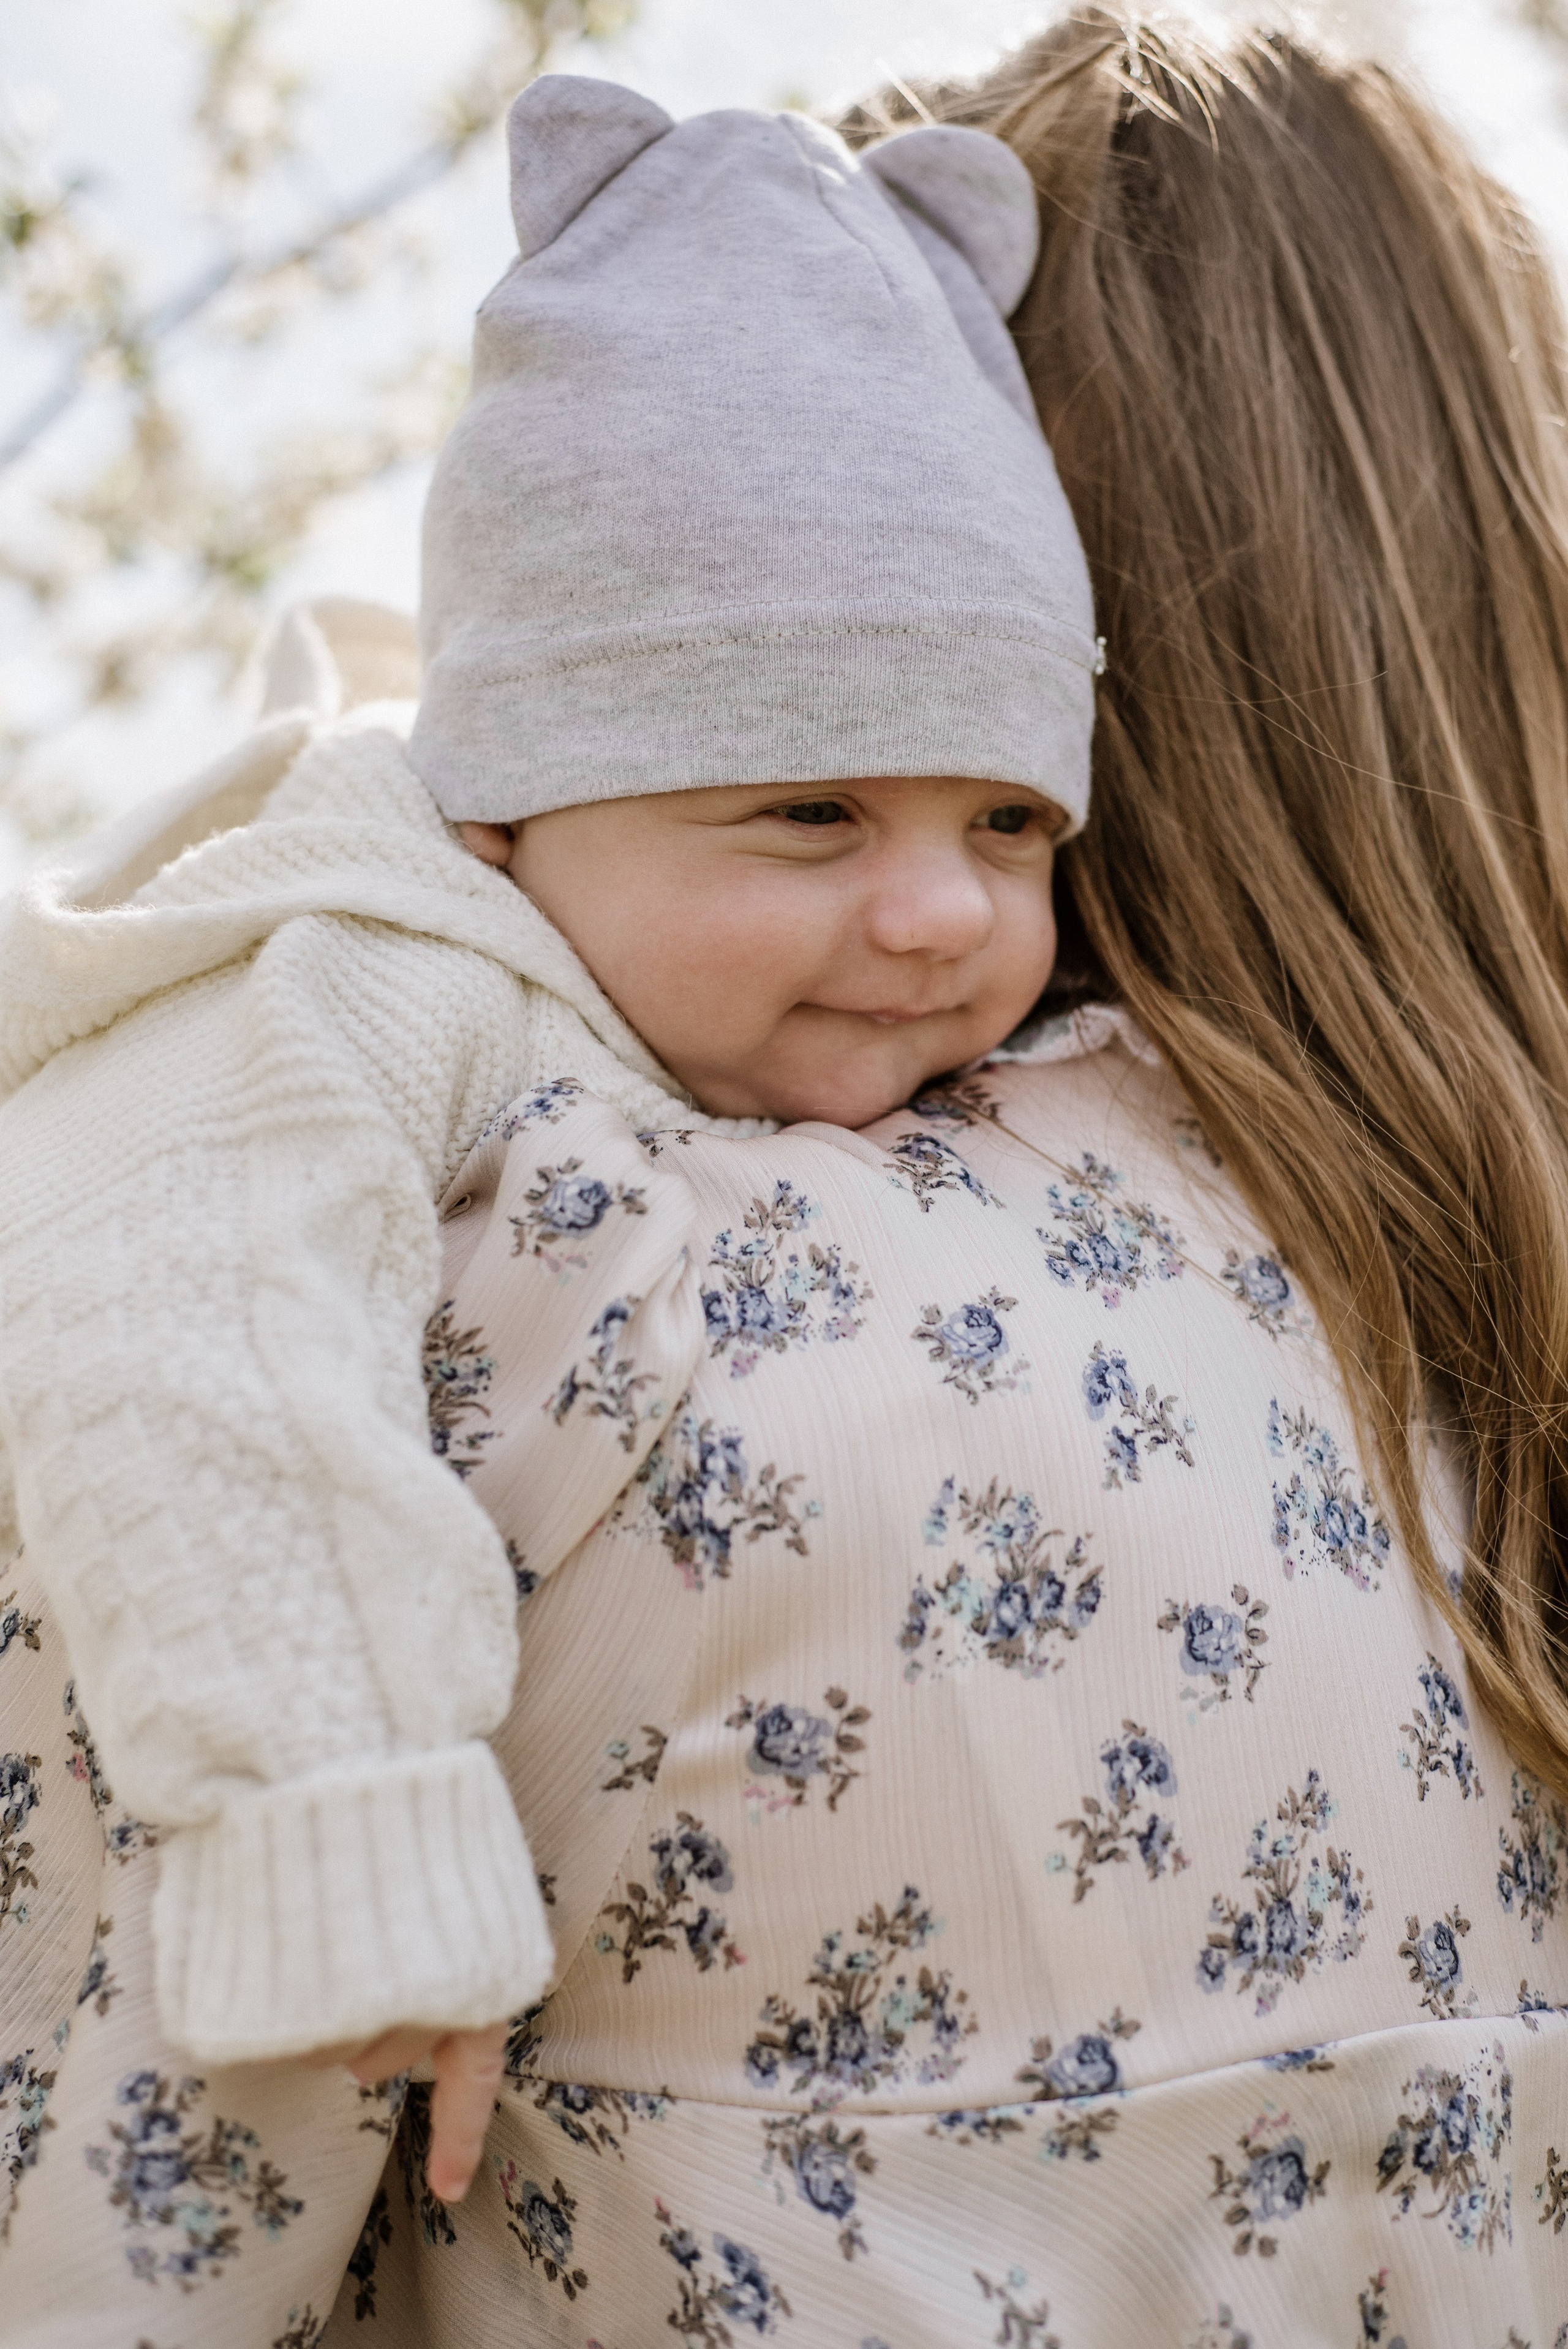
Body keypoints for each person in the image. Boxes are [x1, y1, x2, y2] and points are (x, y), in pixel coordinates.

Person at [2, 21, 1567, 2346]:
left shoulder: (553, 1288)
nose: (935, 914)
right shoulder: (1454, 1359)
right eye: (810, 798)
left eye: (1010, 813)